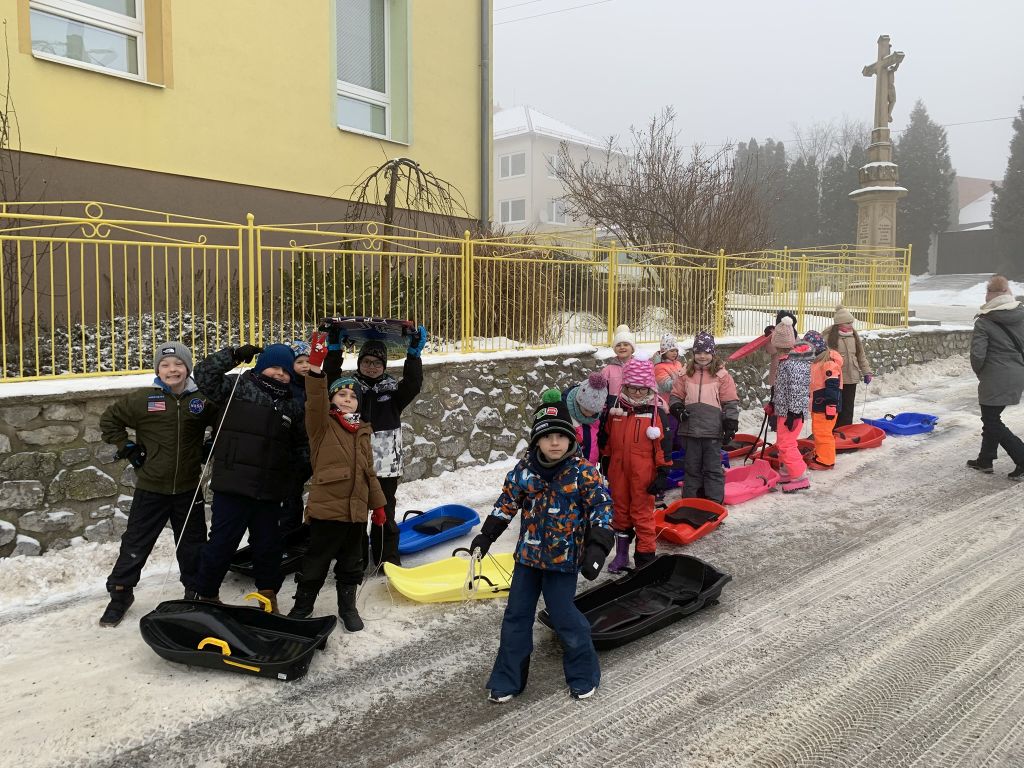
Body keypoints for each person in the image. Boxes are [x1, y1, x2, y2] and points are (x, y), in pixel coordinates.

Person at [471, 389, 614, 703]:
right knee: (516, 616)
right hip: (528, 558)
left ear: (570, 438)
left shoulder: (583, 473)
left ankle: (584, 675)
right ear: (537, 441)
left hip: (563, 561)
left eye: (560, 436)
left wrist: (597, 548)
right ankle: (507, 679)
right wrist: (486, 536)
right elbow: (506, 504)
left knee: (564, 616)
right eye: (547, 436)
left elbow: (602, 509)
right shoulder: (524, 472)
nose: (554, 442)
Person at [96, 342, 218, 627]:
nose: (172, 370)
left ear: (187, 368)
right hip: (151, 487)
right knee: (136, 543)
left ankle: (194, 591)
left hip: (188, 488)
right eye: (165, 365)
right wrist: (127, 447)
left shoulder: (202, 400)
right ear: (158, 370)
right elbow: (109, 419)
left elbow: (223, 422)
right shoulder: (143, 399)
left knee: (193, 544)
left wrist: (210, 445)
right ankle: (120, 594)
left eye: (178, 364)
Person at [187, 343, 308, 611]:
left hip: (269, 490)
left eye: (286, 371)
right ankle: (206, 596)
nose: (280, 374)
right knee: (221, 543)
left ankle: (268, 596)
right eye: (274, 367)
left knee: (268, 547)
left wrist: (295, 477)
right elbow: (204, 374)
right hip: (233, 484)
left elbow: (301, 446)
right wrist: (233, 356)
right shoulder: (236, 387)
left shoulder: (292, 404)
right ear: (261, 366)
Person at [289, 332, 387, 630]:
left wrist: (378, 505)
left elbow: (369, 471)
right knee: (316, 560)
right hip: (327, 510)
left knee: (352, 562)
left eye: (353, 396)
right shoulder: (322, 425)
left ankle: (348, 607)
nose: (348, 399)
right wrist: (316, 369)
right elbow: (315, 400)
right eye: (341, 394)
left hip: (356, 510)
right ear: (332, 399)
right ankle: (302, 607)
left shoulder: (363, 431)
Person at [324, 326, 426, 568]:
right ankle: (355, 561)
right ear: (359, 362)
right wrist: (334, 350)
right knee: (356, 513)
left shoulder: (394, 392)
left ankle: (386, 560)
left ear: (384, 365)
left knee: (385, 513)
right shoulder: (350, 390)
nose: (371, 366)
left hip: (386, 464)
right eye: (367, 361)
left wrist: (413, 354)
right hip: (356, 461)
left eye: (377, 363)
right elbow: (329, 381)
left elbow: (413, 383)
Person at [602, 359, 671, 574]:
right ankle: (621, 555)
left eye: (642, 389)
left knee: (642, 515)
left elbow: (663, 446)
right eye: (632, 388)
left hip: (643, 473)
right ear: (625, 386)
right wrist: (605, 461)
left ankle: (645, 557)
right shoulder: (616, 410)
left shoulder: (655, 413)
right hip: (618, 470)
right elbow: (606, 439)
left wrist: (662, 472)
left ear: (649, 388)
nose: (637, 393)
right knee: (620, 512)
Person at [668, 332, 739, 503]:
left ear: (713, 353)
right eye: (698, 352)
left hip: (712, 431)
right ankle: (691, 502)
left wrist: (730, 422)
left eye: (706, 352)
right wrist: (677, 408)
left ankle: (714, 502)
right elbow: (675, 396)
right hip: (690, 430)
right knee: (691, 468)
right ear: (693, 353)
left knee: (712, 468)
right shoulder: (685, 374)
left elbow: (730, 401)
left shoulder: (722, 376)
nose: (702, 356)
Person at [967, 275, 1024, 480]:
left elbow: (977, 355)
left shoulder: (984, 321)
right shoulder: (1021, 314)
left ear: (990, 295)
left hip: (994, 376)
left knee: (991, 420)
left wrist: (981, 372)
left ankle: (1021, 456)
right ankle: (985, 459)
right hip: (1018, 373)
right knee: (992, 418)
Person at [769, 336, 815, 493]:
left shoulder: (794, 363)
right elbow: (781, 388)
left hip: (792, 413)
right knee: (782, 442)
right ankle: (787, 471)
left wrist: (794, 414)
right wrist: (773, 403)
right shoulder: (786, 361)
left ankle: (799, 475)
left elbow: (797, 390)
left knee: (787, 444)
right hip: (785, 410)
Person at [281, 338, 313, 532]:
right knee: (290, 494)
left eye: (308, 361)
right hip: (291, 450)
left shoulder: (315, 384)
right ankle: (288, 531)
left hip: (310, 447)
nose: (305, 366)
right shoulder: (287, 387)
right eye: (299, 362)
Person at [824, 306, 873, 428]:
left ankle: (846, 431)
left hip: (851, 377)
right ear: (839, 324)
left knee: (848, 407)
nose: (851, 325)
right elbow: (823, 358)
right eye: (848, 323)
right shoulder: (829, 337)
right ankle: (833, 431)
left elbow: (861, 355)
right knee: (835, 407)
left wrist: (867, 372)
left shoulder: (854, 336)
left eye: (851, 323)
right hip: (835, 379)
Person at [803, 330, 844, 471]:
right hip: (818, 404)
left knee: (823, 434)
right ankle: (821, 454)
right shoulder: (818, 362)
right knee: (819, 432)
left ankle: (826, 461)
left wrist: (831, 406)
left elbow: (832, 387)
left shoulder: (828, 364)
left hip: (826, 406)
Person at [562, 372, 608, 467]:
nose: (590, 414)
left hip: (590, 465)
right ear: (578, 402)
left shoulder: (597, 417)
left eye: (594, 411)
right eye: (586, 410)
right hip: (571, 467)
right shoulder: (566, 414)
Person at [601, 324, 636, 400]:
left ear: (632, 348)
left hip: (635, 404)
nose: (622, 347)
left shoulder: (640, 367)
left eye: (626, 344)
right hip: (614, 404)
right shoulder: (608, 370)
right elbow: (601, 392)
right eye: (618, 345)